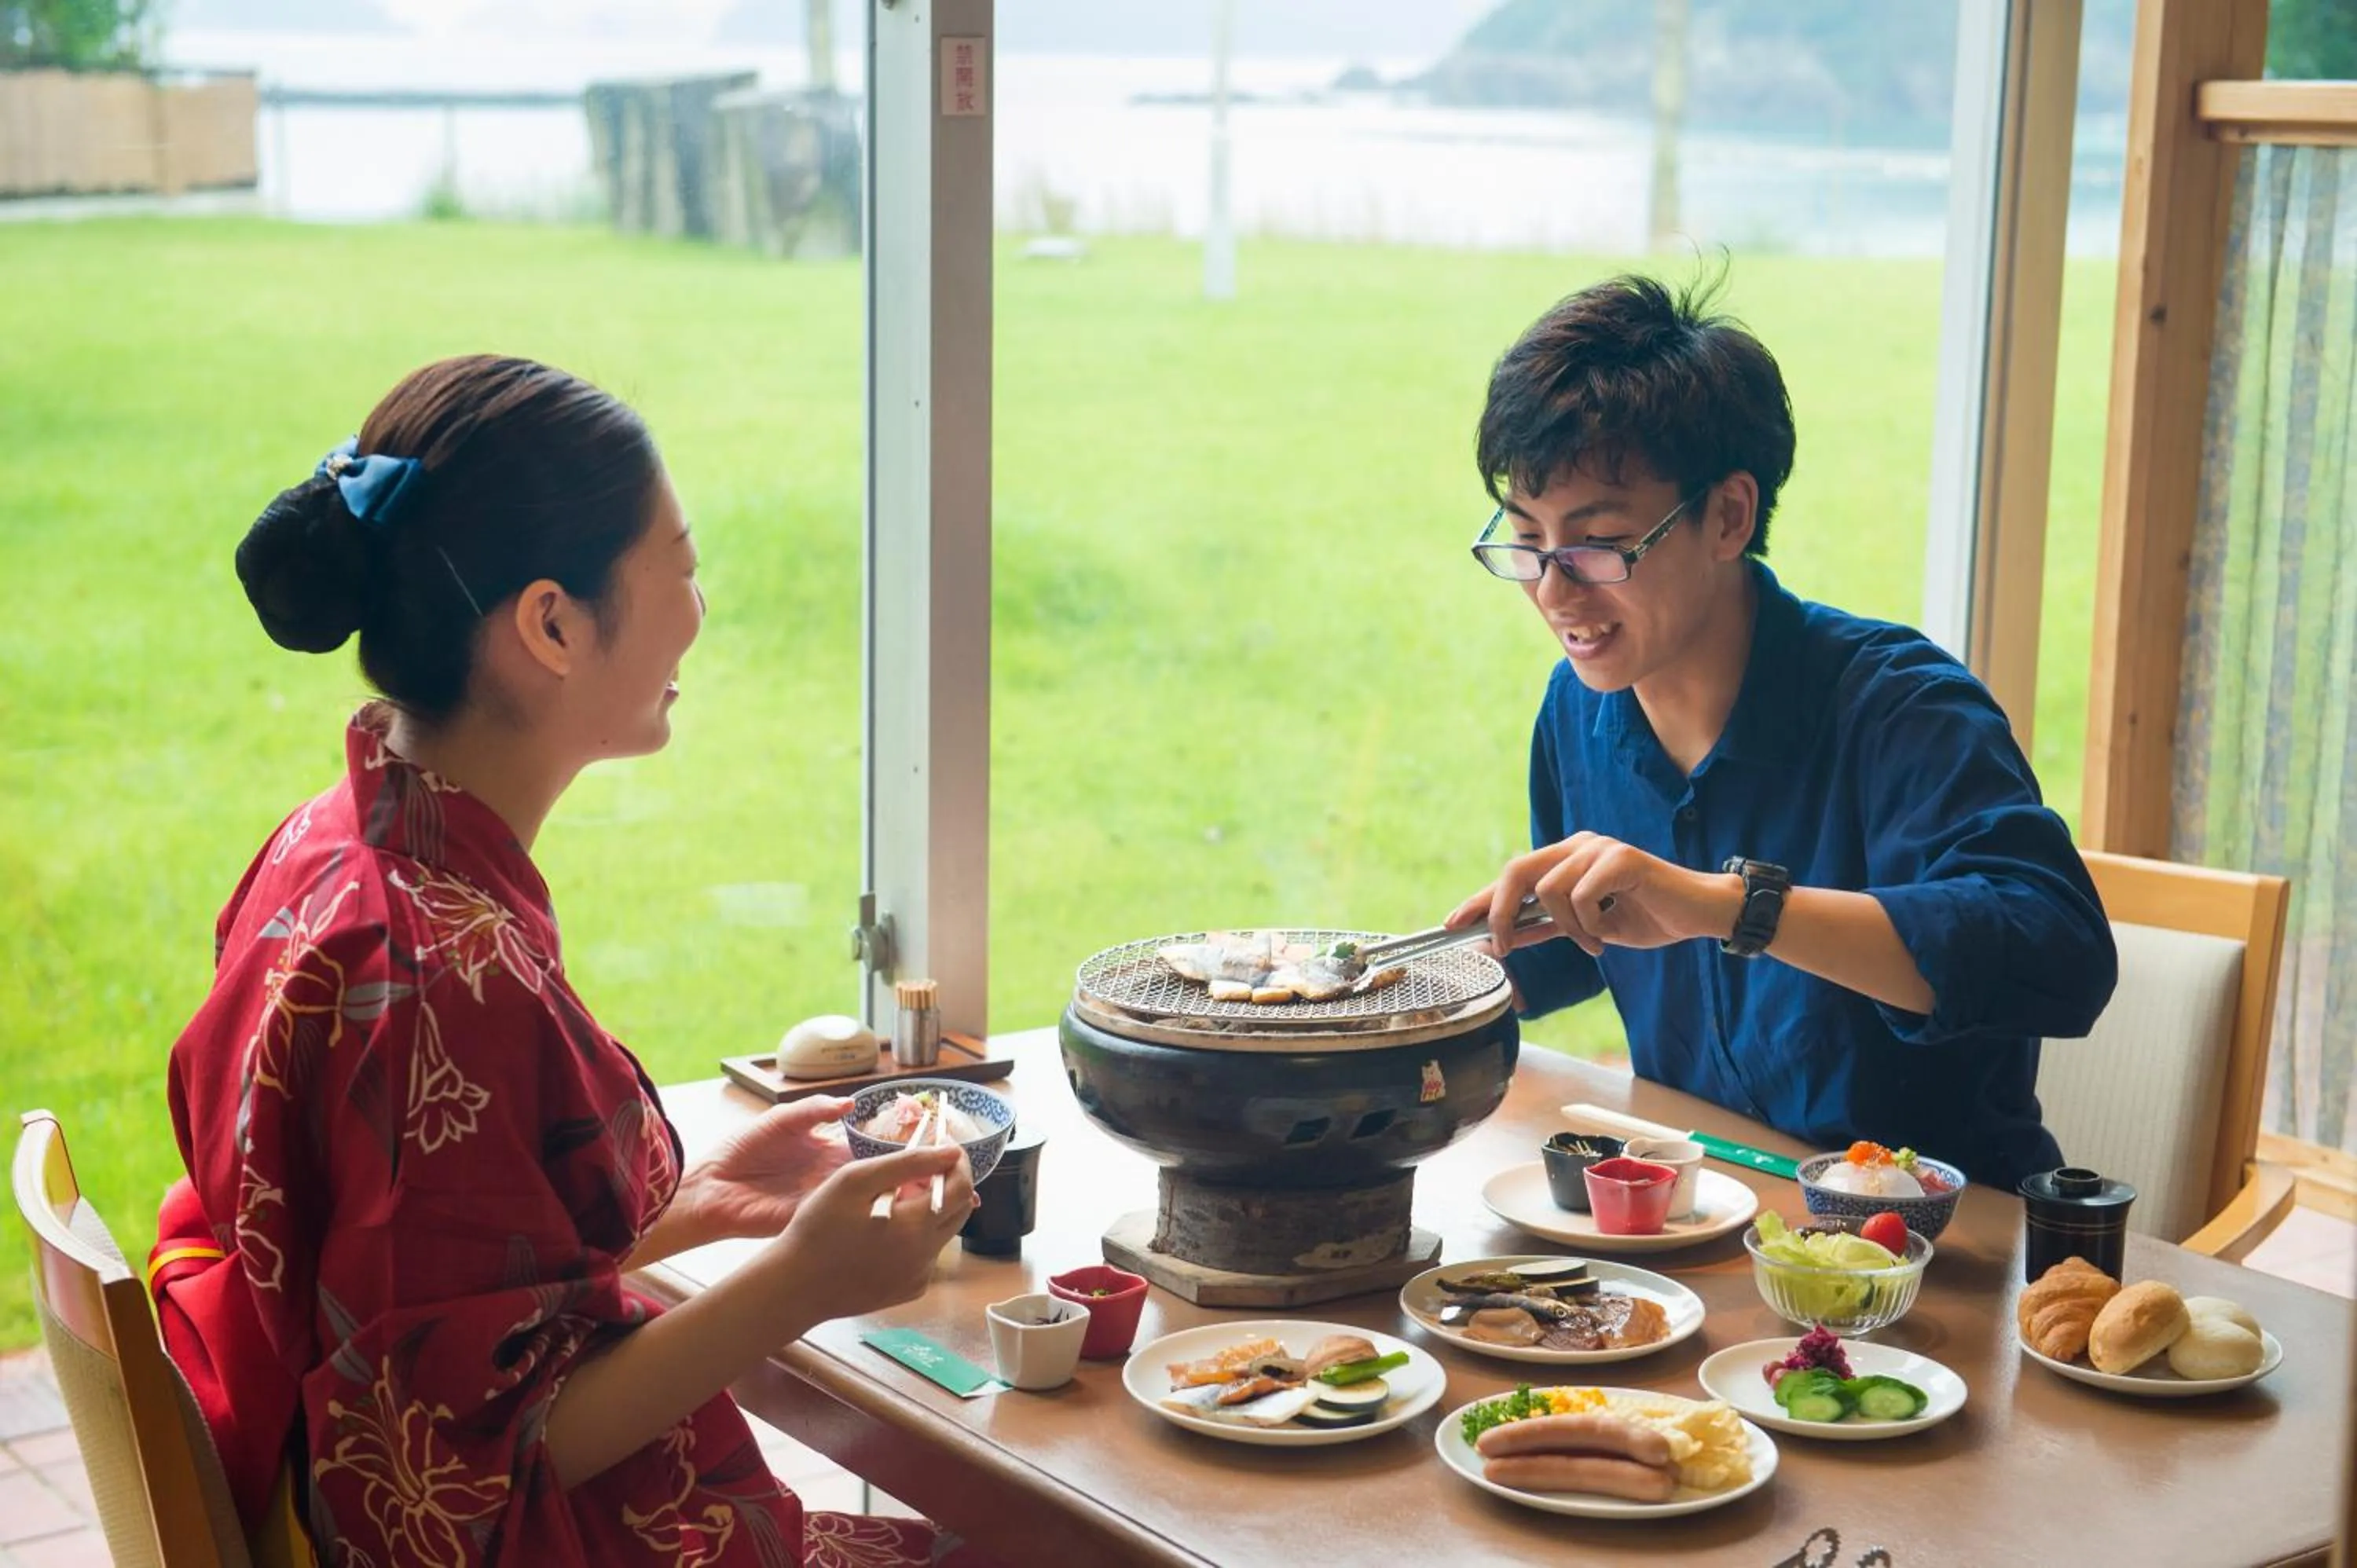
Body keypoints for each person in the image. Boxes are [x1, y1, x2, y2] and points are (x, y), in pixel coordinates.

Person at [152, 355, 993, 1566]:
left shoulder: (332, 848)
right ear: (551, 623)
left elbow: (407, 1286)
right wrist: (801, 1281)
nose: (699, 609)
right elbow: (462, 1486)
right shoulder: (443, 978)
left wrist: (701, 1204)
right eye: (682, 568)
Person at [1444, 273, 2117, 1190]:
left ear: (1728, 515)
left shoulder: (1899, 707)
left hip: (1926, 1254)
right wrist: (1454, 971)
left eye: (1598, 545)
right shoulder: (1581, 708)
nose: (1554, 592)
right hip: (1707, 1218)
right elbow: (1599, 939)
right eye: (1526, 542)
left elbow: (2059, 951)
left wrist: (1725, 905)